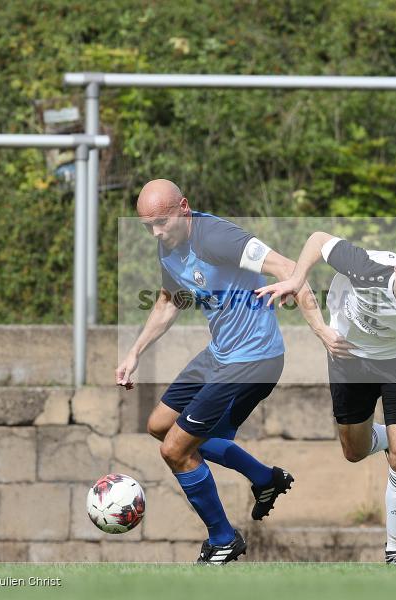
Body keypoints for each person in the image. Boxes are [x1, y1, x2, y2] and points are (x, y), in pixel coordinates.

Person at [115, 180, 351, 564]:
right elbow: (169, 298)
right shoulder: (168, 244)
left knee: (175, 449)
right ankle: (265, 478)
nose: (156, 232)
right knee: (159, 425)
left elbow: (290, 269)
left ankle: (224, 539)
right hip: (220, 354)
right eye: (147, 226)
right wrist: (134, 353)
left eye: (161, 222)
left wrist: (321, 330)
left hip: (253, 360)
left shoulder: (218, 238)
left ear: (184, 208)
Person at [255, 231, 396, 566]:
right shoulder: (366, 267)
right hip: (348, 356)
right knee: (353, 451)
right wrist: (298, 281)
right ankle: (388, 437)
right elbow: (317, 239)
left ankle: (395, 551)